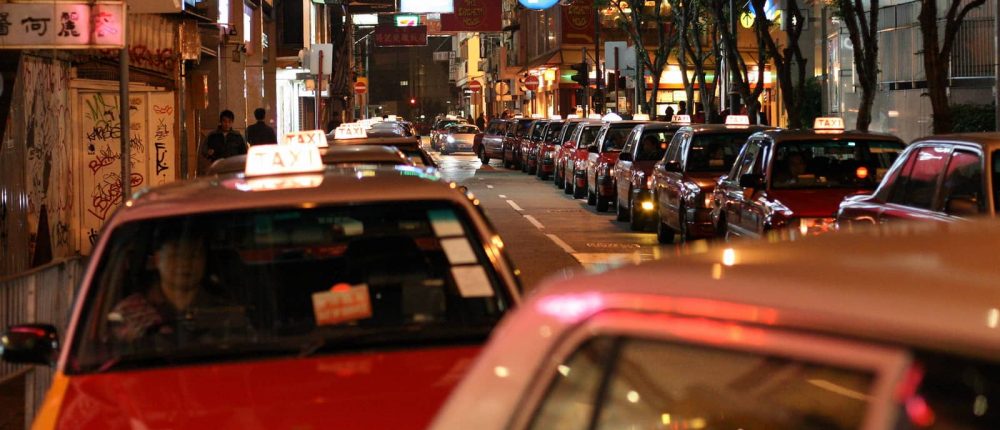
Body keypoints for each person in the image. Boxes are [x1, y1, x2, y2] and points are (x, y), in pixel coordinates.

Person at [109, 229, 247, 344]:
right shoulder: (130, 313)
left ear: (205, 260)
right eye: (176, 254)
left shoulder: (226, 312)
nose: (185, 263)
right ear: (157, 259)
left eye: (194, 254)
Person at [198, 110, 246, 175]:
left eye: (229, 122)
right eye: (224, 121)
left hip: (233, 168)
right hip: (217, 168)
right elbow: (204, 150)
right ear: (220, 121)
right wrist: (208, 153)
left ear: (232, 122)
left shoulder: (237, 136)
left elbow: (244, 152)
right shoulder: (212, 135)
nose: (227, 124)